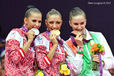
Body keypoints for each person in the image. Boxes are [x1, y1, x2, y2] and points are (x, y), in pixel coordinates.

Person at [65, 7, 114, 76]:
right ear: (70, 23)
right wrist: (80, 48)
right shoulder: (67, 44)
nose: (79, 27)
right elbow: (75, 72)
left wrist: (102, 62)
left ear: (86, 21)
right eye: (76, 24)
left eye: (82, 23)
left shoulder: (98, 36)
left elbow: (112, 62)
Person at [5, 5, 42, 76]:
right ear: (26, 20)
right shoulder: (15, 33)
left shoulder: (36, 39)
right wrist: (29, 42)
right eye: (34, 21)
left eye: (39, 21)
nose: (37, 24)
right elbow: (15, 58)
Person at [34, 9, 65, 76]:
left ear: (61, 23)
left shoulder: (62, 42)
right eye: (51, 22)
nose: (54, 26)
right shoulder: (41, 39)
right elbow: (42, 65)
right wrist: (54, 45)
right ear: (46, 22)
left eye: (58, 23)